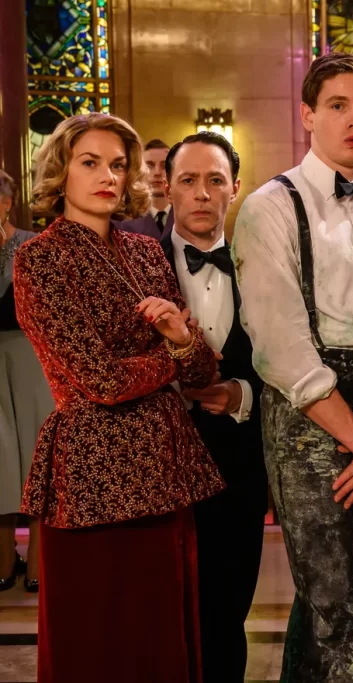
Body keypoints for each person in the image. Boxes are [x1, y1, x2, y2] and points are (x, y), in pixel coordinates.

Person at [231, 52, 353, 681]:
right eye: (338, 106)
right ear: (307, 115)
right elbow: (280, 347)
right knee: (334, 605)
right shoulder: (270, 207)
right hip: (310, 417)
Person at [13, 113, 222, 682]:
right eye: (90, 163)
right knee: (98, 635)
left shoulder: (147, 252)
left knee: (160, 635)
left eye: (118, 165)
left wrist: (182, 341)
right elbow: (101, 381)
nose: (107, 176)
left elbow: (202, 368)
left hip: (165, 465)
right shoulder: (40, 259)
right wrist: (174, 351)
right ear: (62, 171)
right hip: (92, 473)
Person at [160, 131, 267, 683]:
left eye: (215, 180)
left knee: (228, 616)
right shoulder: (134, 262)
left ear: (235, 188)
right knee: (162, 621)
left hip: (238, 467)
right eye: (188, 180)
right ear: (168, 188)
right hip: (157, 469)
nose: (202, 193)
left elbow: (291, 358)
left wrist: (243, 394)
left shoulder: (266, 264)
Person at [0, 168, 52, 593]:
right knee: (0, 460)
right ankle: (3, 561)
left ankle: (39, 563)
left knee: (37, 457)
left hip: (32, 359)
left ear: (5, 203)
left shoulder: (33, 245)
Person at [118, 138, 174, 239]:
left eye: (164, 166)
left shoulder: (187, 216)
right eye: (149, 166)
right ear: (139, 171)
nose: (157, 172)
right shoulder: (123, 221)